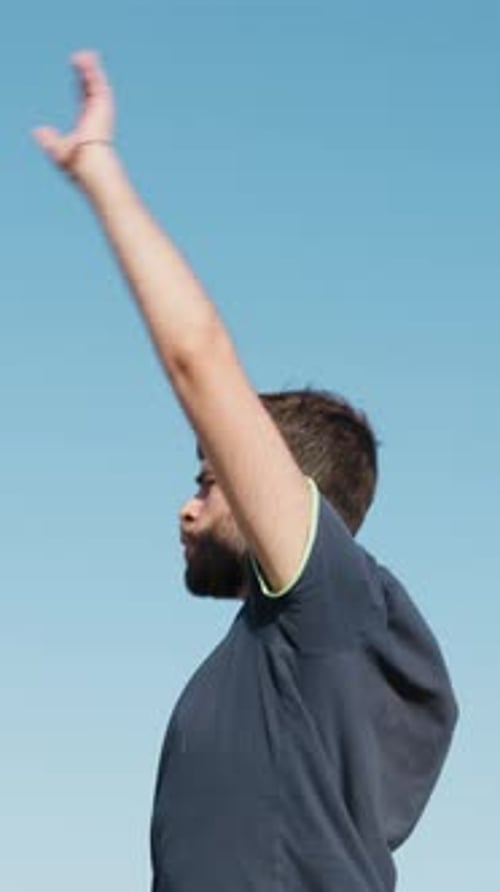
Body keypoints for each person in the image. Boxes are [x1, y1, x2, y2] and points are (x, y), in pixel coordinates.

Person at [34, 52, 458, 892]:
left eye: (209, 479)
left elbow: (198, 358)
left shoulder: (327, 605)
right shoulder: (280, 657)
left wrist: (99, 172)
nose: (187, 509)